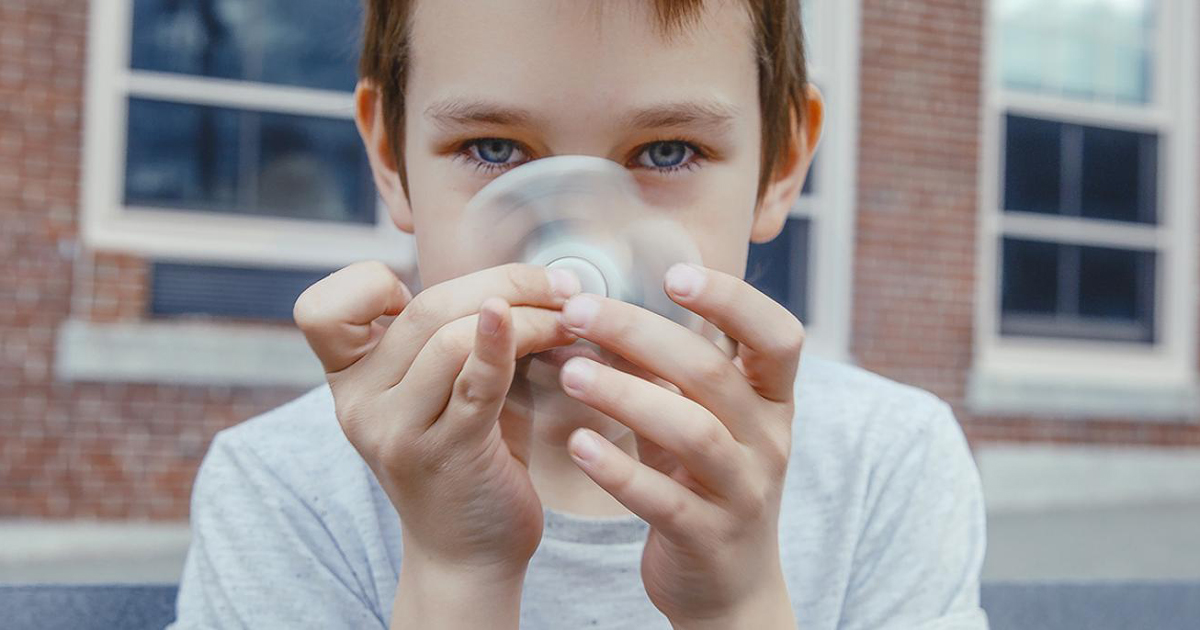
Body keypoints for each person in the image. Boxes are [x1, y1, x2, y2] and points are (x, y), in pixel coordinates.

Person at [170, 1, 988, 628]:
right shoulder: (285, 491)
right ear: (390, 156)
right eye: (495, 149)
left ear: (779, 164)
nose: (575, 238)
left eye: (665, 152)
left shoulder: (886, 465)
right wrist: (456, 572)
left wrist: (735, 605)